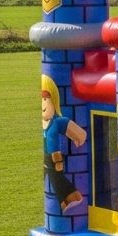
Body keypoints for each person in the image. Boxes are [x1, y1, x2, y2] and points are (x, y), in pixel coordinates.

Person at [41, 75, 86, 212]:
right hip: (44, 158)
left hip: (54, 158)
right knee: (53, 179)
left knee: (57, 178)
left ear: (53, 100)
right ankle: (68, 200)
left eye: (45, 99)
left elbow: (78, 132)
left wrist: (78, 139)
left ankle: (72, 198)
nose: (42, 104)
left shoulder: (56, 122)